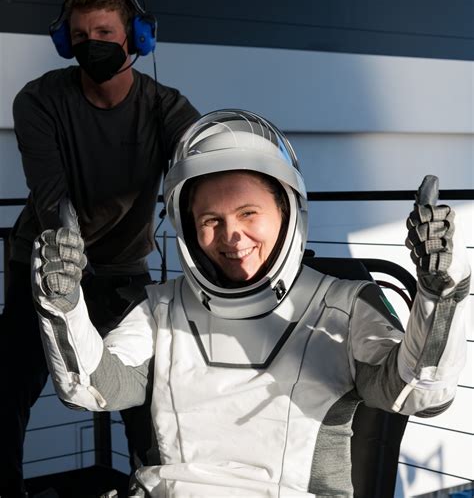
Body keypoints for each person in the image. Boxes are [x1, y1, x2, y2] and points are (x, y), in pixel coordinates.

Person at [31, 110, 470, 497]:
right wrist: (62, 301)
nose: (231, 236)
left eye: (248, 213)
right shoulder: (160, 306)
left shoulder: (345, 303)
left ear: (287, 211)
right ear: (189, 229)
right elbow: (90, 387)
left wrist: (440, 291)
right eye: (211, 220)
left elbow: (421, 392)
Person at [0, 0, 199, 495]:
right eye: (81, 35)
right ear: (66, 43)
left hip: (123, 270)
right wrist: (65, 273)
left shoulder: (165, 106)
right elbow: (51, 196)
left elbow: (202, 165)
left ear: (136, 37)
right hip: (45, 262)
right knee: (8, 387)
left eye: (105, 32)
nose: (92, 44)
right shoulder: (39, 100)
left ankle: (153, 488)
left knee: (147, 396)